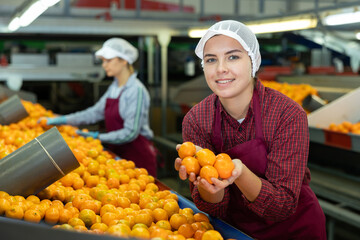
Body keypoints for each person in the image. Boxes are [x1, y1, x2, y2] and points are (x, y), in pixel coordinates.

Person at [174, 20, 326, 239]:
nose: (220, 69)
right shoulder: (196, 120)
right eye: (211, 60)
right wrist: (207, 184)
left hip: (295, 229)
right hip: (237, 231)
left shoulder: (287, 114)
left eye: (233, 57)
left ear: (253, 61)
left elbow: (282, 206)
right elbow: (213, 209)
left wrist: (240, 173)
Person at [45, 38, 158, 177]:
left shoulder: (136, 90)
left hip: (138, 154)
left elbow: (130, 133)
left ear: (124, 61)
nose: (104, 65)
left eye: (108, 60)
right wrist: (62, 119)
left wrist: (98, 136)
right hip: (118, 152)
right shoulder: (115, 87)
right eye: (103, 61)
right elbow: (94, 113)